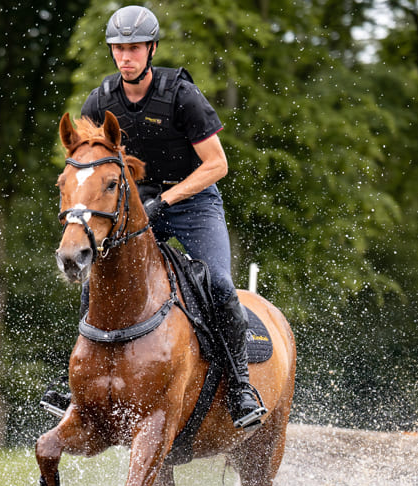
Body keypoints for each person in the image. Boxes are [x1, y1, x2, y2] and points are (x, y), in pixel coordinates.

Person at [44, 5, 266, 431]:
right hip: (131, 203)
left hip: (193, 201)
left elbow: (217, 165)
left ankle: (239, 387)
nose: (125, 57)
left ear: (151, 49)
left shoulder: (181, 95)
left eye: (134, 48)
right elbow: (87, 163)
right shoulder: (101, 100)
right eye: (118, 49)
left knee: (218, 284)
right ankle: (76, 385)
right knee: (98, 276)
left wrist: (166, 199)